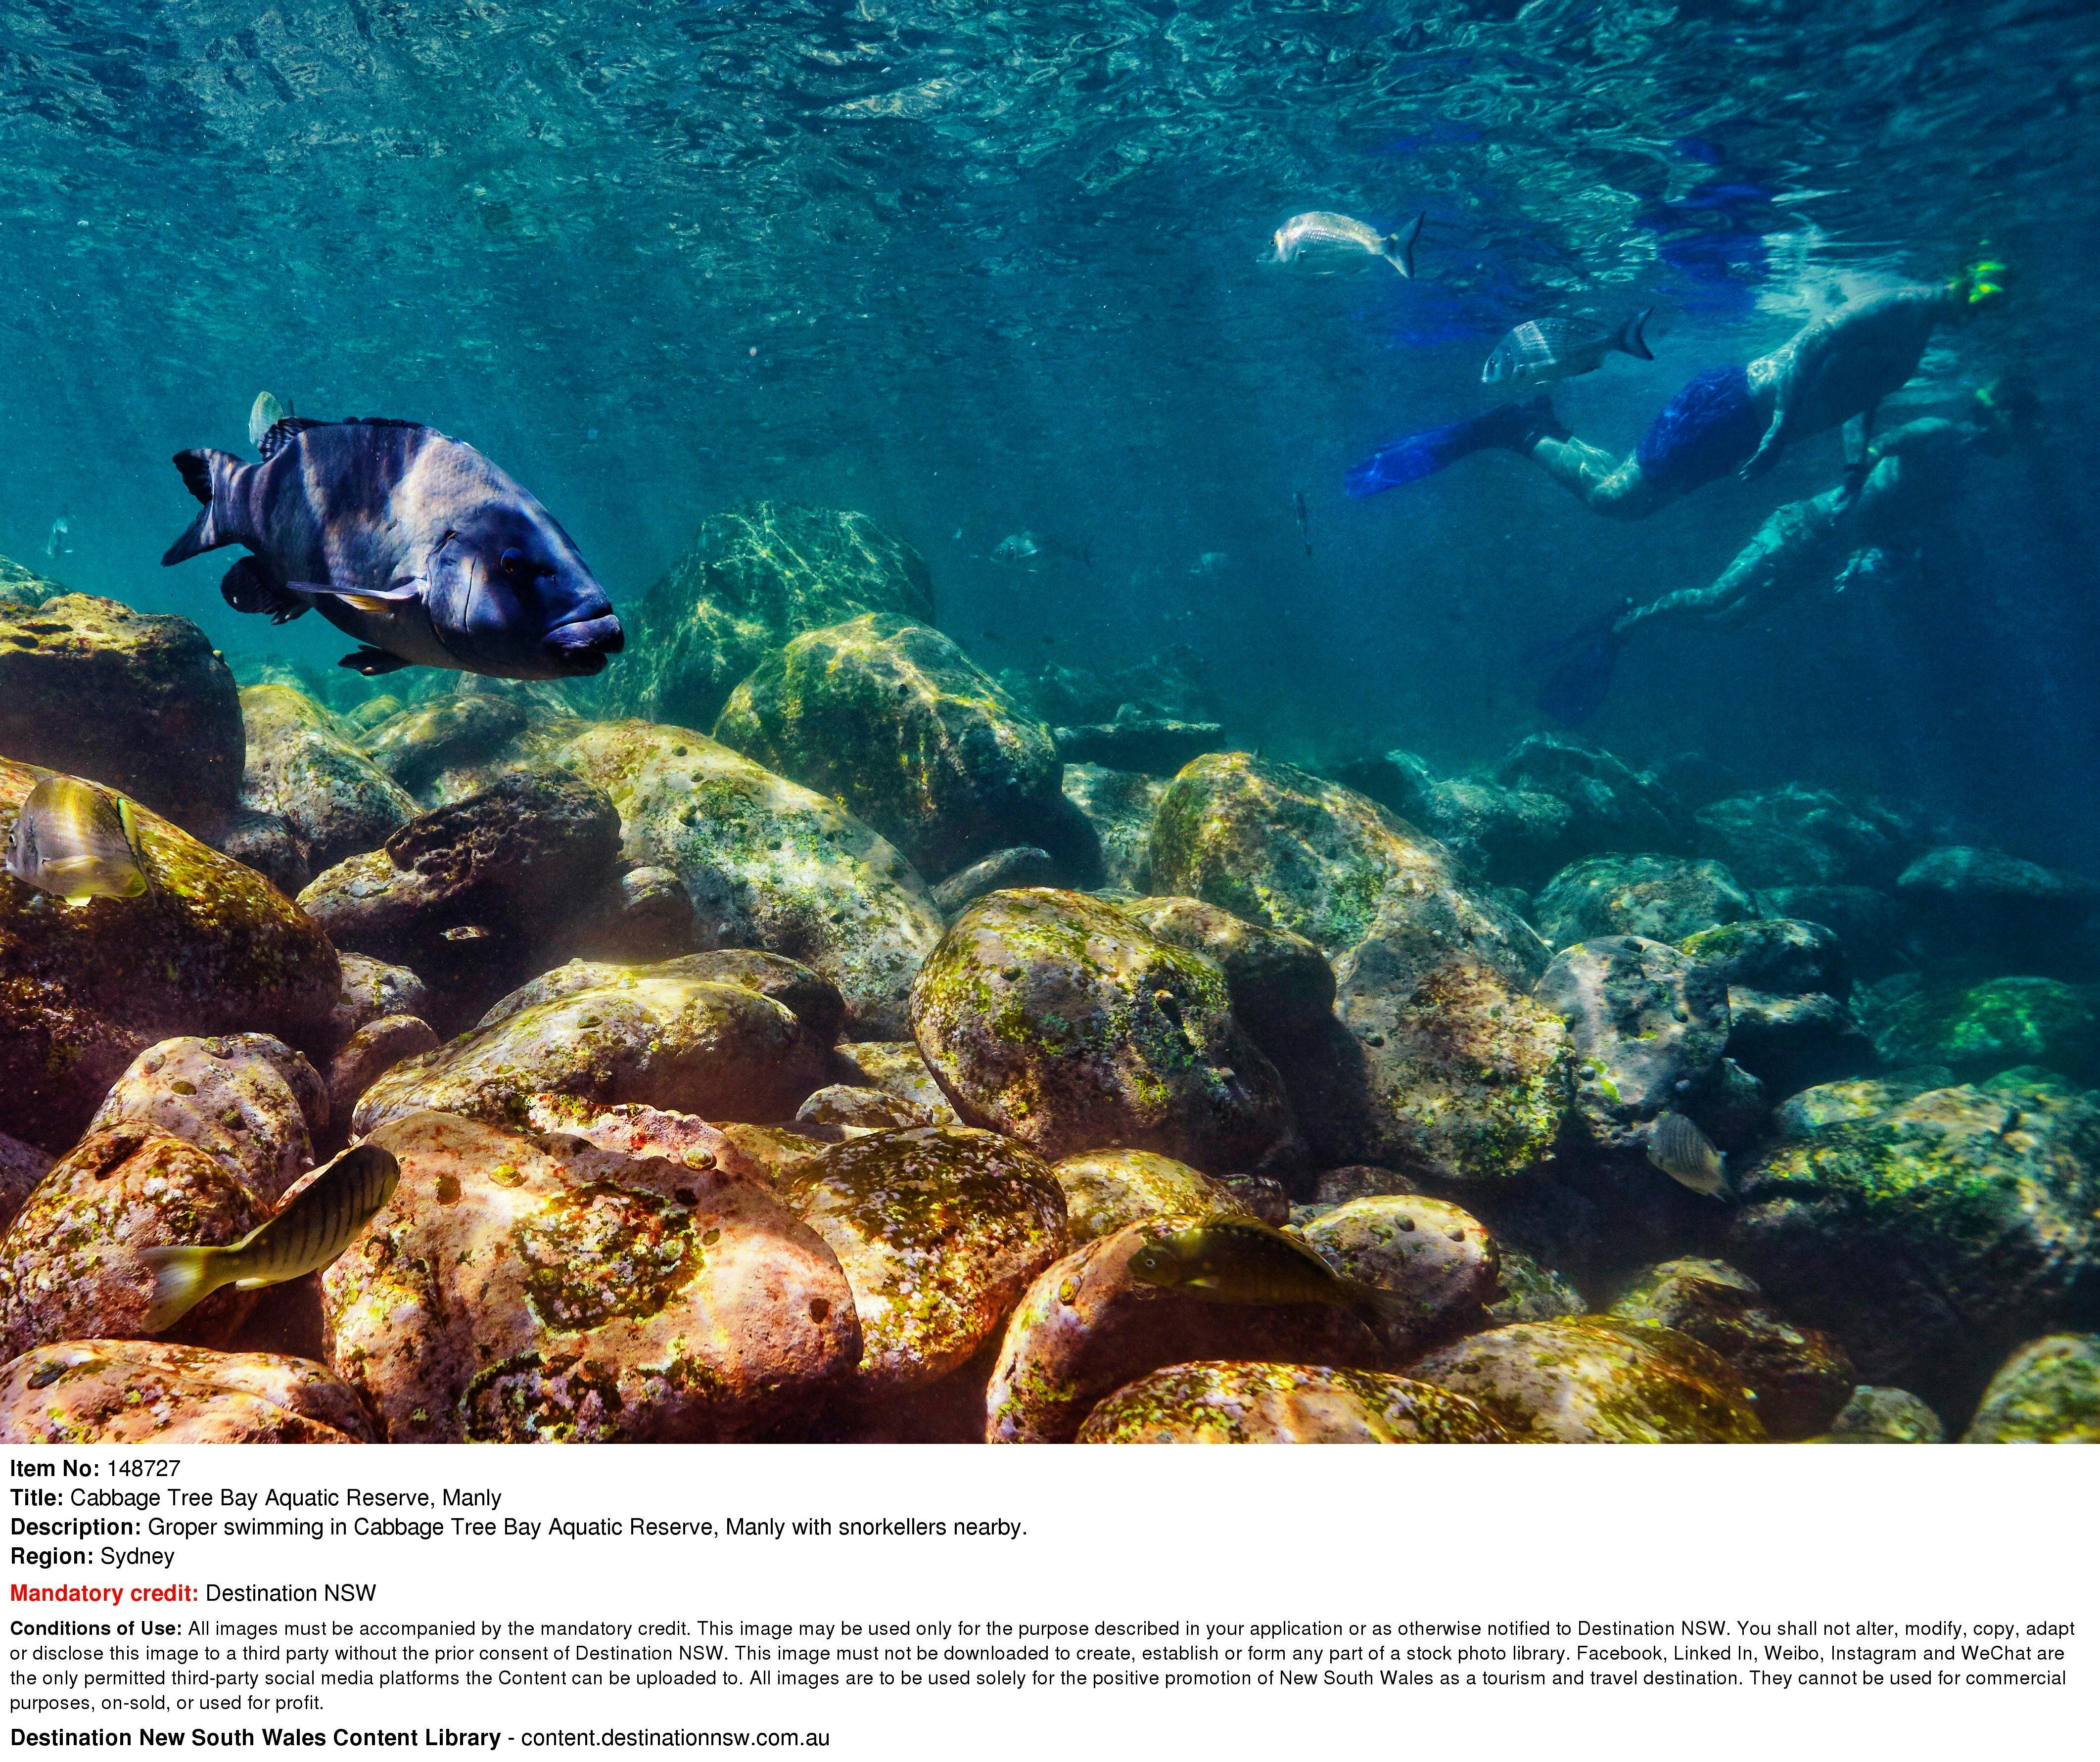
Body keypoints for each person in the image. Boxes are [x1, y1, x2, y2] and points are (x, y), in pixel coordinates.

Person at [1532, 380, 2035, 722]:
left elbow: (1901, 521)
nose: (2001, 444)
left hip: (1829, 552)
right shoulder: (1938, 433)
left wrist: (1869, 558)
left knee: (1727, 620)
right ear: (1993, 418)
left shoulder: (1958, 481)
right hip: (1805, 526)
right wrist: (1849, 487)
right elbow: (1876, 442)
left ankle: (1633, 616)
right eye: (2008, 431)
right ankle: (1623, 626)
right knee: (1713, 599)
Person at [1349, 263, 2006, 517]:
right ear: (1967, 276)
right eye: (1986, 289)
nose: (1985, 304)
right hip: (1733, 412)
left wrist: (1856, 464)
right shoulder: (1900, 302)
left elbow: (1863, 395)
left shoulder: (1919, 331)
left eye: (1993, 299)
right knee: (1618, 503)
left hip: (1740, 426)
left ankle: (1536, 421)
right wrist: (1778, 430)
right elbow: (1814, 342)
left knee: (1627, 489)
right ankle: (1519, 430)